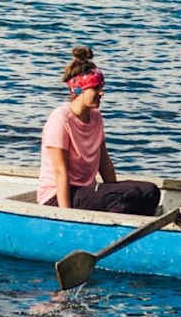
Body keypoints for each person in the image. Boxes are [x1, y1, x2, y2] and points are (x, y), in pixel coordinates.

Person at [35, 46, 160, 215]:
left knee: (150, 192)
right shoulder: (60, 119)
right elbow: (60, 172)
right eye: (96, 88)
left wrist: (115, 189)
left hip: (85, 192)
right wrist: (65, 216)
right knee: (130, 196)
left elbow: (104, 163)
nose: (102, 93)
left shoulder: (96, 118)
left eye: (102, 87)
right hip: (58, 197)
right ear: (78, 90)